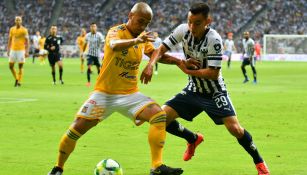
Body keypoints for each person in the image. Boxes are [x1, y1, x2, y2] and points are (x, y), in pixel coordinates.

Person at [48, 2, 183, 175]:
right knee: (76, 129)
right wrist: (136, 40)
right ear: (130, 15)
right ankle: (58, 168)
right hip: (104, 94)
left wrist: (179, 62)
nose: (143, 26)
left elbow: (156, 54)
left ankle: (156, 166)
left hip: (130, 95)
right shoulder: (116, 31)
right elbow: (114, 45)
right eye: (140, 21)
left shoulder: (142, 37)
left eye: (146, 23)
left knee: (158, 115)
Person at [141, 3, 270, 175]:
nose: (192, 27)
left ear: (208, 21)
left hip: (214, 92)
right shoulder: (182, 30)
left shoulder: (214, 39)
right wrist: (150, 64)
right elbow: (160, 49)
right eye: (190, 22)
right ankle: (192, 139)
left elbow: (213, 74)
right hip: (193, 89)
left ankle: (260, 163)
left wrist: (187, 70)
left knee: (235, 129)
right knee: (160, 118)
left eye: (197, 23)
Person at [7, 16, 30, 87]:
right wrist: (8, 49)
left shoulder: (24, 30)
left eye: (19, 20)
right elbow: (10, 40)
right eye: (17, 20)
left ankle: (18, 81)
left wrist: (27, 51)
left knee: (20, 66)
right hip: (13, 50)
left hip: (21, 50)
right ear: (15, 21)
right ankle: (17, 78)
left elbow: (27, 41)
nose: (18, 21)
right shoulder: (12, 29)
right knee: (10, 66)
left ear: (21, 21)